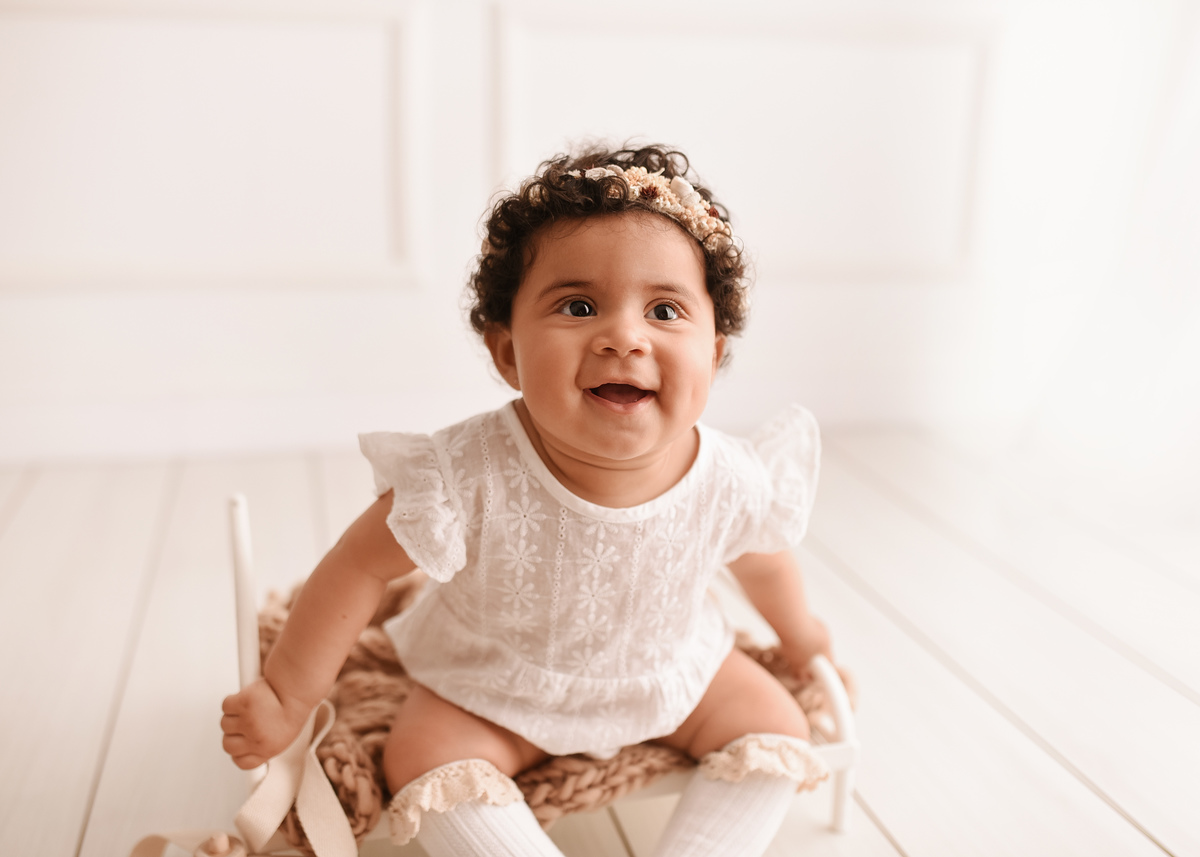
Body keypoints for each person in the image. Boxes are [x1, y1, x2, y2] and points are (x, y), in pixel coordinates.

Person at [220, 144, 835, 857]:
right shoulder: (466, 473)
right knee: (426, 756)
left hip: (671, 670)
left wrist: (800, 634)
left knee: (777, 727)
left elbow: (763, 559)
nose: (624, 337)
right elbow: (358, 565)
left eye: (665, 310)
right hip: (493, 684)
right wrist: (287, 696)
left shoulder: (729, 475)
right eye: (579, 306)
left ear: (715, 354)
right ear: (508, 352)